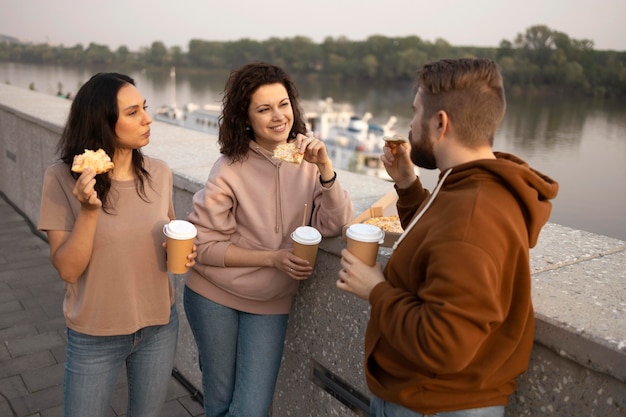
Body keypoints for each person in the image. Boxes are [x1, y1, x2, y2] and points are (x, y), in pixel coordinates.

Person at [337, 58, 559, 417]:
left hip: (435, 405)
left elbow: (444, 345)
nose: (409, 125)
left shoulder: (474, 216)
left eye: (415, 112)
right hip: (427, 397)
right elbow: (439, 243)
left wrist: (374, 288)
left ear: (440, 123)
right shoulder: (470, 185)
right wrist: (409, 187)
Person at [184, 61, 354, 417]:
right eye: (264, 109)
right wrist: (272, 258)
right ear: (245, 118)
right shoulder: (229, 168)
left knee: (251, 409)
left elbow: (335, 223)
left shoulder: (307, 161)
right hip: (213, 295)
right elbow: (202, 246)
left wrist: (325, 168)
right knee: (219, 402)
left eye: (283, 104)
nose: (278, 116)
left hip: (271, 301)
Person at [38, 72, 196, 417]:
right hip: (94, 334)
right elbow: (67, 268)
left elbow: (165, 239)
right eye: (133, 112)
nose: (147, 119)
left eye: (145, 108)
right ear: (102, 122)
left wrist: (180, 249)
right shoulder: (62, 178)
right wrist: (89, 211)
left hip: (158, 327)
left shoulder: (160, 173)